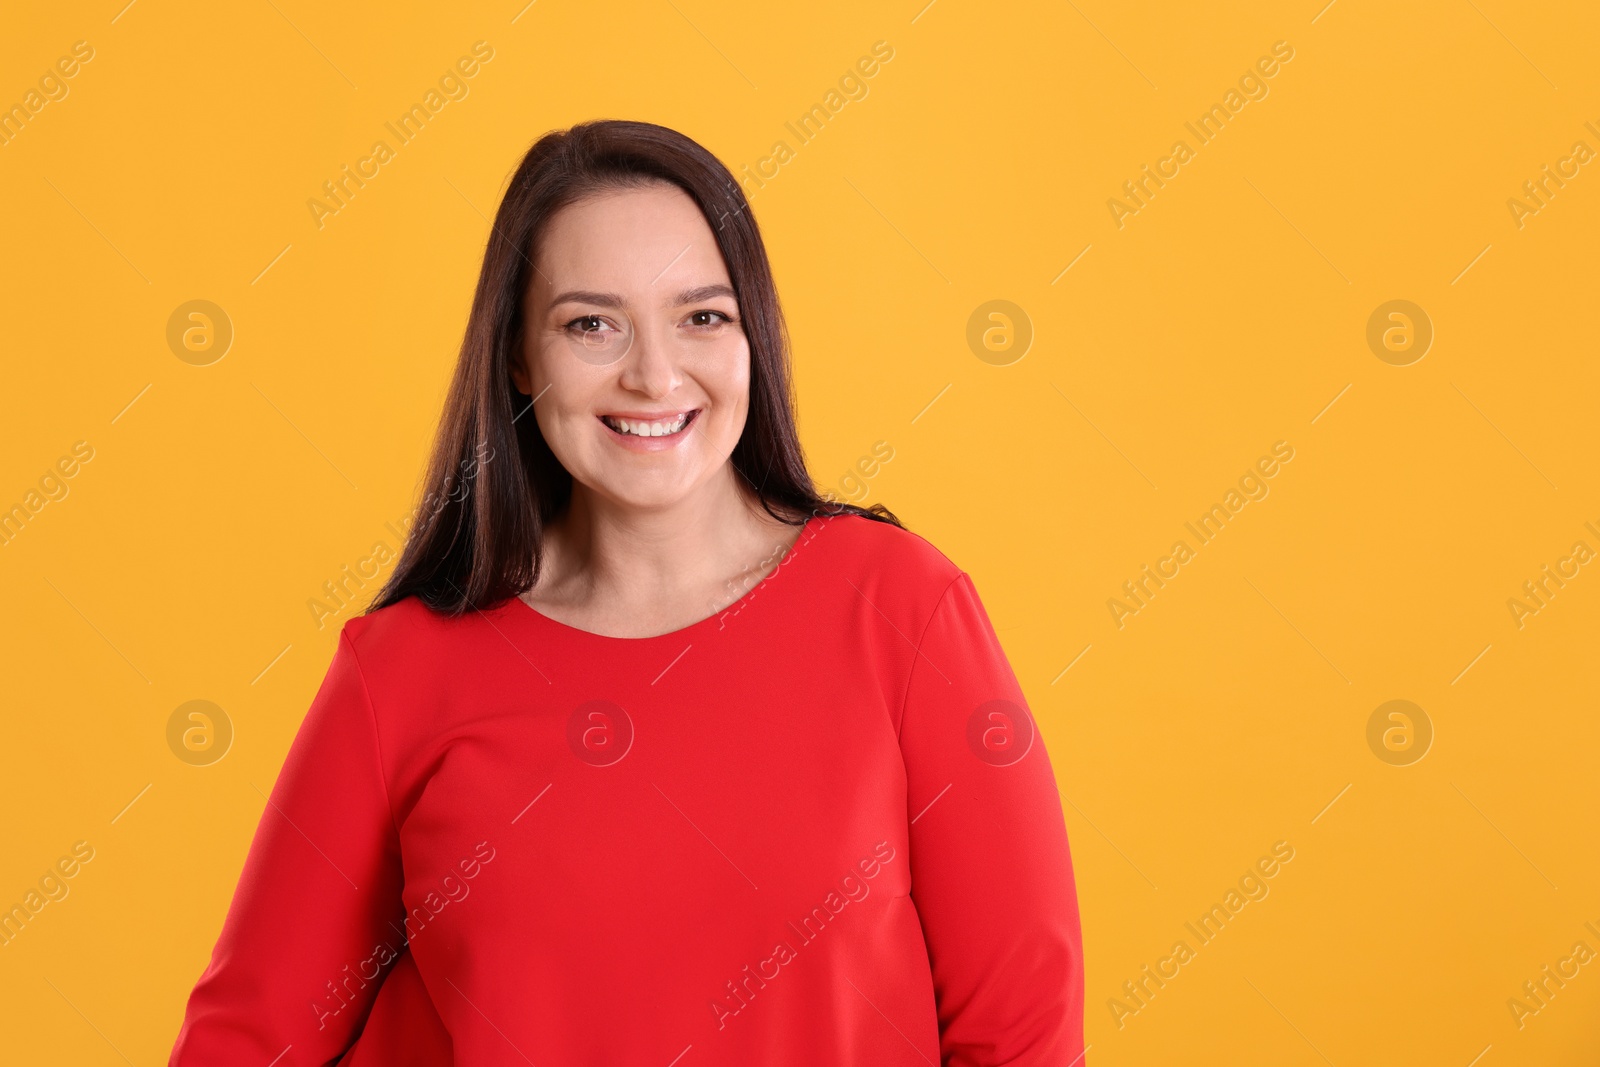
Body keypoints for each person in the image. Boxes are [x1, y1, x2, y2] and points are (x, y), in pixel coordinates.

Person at [168, 119, 1086, 1065]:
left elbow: (1022, 1029)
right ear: (520, 358)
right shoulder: (400, 670)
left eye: (702, 315)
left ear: (753, 335)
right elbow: (247, 1041)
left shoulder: (901, 609)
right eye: (591, 324)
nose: (653, 375)